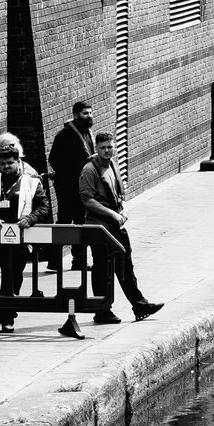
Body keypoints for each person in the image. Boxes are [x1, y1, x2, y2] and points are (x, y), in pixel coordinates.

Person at [0, 133, 52, 335]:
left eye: (10, 163)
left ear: (18, 162)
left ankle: (7, 319)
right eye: (2, 163)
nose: (6, 166)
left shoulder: (31, 183)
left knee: (12, 280)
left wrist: (29, 219)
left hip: (19, 242)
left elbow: (44, 207)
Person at [79, 129, 160, 325]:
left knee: (125, 266)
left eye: (110, 147)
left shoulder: (113, 165)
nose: (107, 151)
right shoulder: (89, 170)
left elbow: (118, 196)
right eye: (103, 148)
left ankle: (140, 305)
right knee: (101, 269)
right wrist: (113, 214)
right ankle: (102, 310)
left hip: (116, 225)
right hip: (99, 227)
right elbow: (86, 199)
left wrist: (122, 210)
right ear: (96, 148)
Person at [46, 100, 96, 276]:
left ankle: (78, 261)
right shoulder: (65, 135)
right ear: (75, 115)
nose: (89, 116)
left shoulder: (87, 133)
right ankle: (55, 261)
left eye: (90, 113)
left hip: (82, 188)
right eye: (85, 113)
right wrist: (75, 171)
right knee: (66, 225)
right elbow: (54, 160)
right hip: (68, 189)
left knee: (80, 224)